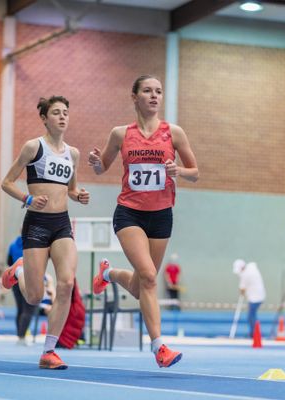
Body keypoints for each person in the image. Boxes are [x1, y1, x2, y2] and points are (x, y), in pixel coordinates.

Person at [87, 75, 198, 368]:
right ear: (134, 96)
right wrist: (96, 162)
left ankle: (108, 275)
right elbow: (102, 168)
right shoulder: (121, 134)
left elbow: (195, 170)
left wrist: (179, 171)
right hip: (130, 213)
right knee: (149, 276)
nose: (154, 96)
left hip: (161, 215)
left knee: (139, 286)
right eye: (147, 91)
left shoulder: (174, 133)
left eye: (158, 92)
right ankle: (160, 347)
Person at [1, 95, 90, 369]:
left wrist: (79, 195)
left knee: (66, 283)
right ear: (44, 118)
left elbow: (72, 188)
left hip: (61, 224)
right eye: (56, 112)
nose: (62, 117)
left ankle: (49, 351)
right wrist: (27, 199)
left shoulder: (72, 153)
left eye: (65, 112)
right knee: (34, 297)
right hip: (37, 224)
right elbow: (7, 182)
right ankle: (17, 272)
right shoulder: (33, 147)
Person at [7, 234, 37, 346]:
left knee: (20, 309)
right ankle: (22, 337)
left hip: (16, 278)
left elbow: (9, 262)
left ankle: (20, 336)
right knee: (28, 309)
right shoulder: (34, 244)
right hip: (29, 277)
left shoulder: (13, 245)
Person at [232, 259, 266, 338]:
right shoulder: (252, 269)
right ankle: (254, 332)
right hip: (258, 296)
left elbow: (242, 288)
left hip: (255, 297)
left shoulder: (246, 274)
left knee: (251, 316)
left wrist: (242, 292)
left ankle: (254, 333)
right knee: (252, 315)